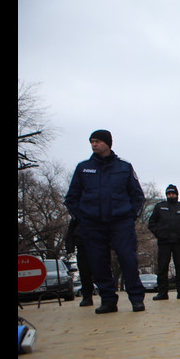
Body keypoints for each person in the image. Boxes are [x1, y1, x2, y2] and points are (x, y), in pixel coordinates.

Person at [64, 129, 147, 313]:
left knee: (128, 259)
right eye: (92, 141)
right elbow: (71, 198)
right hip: (93, 224)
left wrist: (131, 216)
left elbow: (138, 196)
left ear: (108, 143)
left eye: (98, 141)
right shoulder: (83, 168)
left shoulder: (124, 167)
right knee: (98, 263)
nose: (94, 144)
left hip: (120, 222)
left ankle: (136, 299)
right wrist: (83, 218)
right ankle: (108, 300)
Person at [147, 184, 180, 300]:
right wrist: (159, 234)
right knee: (162, 267)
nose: (171, 195)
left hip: (179, 242)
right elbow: (151, 223)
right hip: (164, 242)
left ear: (177, 194)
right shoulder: (160, 207)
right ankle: (162, 292)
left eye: (173, 193)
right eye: (169, 194)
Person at [65, 218, 94, 307]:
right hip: (82, 243)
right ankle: (87, 296)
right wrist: (70, 246)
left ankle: (107, 297)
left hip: (98, 240)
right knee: (84, 272)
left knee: (102, 270)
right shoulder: (79, 208)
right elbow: (71, 227)